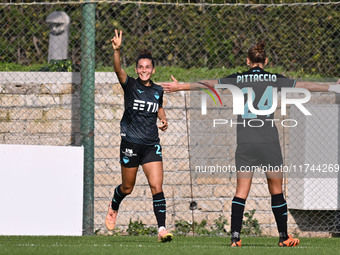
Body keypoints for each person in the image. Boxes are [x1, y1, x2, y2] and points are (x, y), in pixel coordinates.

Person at [161, 41, 340, 247]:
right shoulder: (274, 79)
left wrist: (180, 86)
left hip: (245, 142)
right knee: (276, 191)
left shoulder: (238, 78)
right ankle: (284, 237)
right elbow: (304, 86)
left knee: (241, 192)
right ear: (266, 61)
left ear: (247, 61)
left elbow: (209, 83)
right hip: (268, 141)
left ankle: (235, 238)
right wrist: (332, 87)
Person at [105, 29, 173, 243]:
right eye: (141, 67)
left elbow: (158, 108)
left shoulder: (158, 90)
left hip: (151, 145)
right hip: (131, 144)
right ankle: (114, 205)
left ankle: (161, 229)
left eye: (148, 67)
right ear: (137, 69)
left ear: (153, 70)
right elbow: (117, 69)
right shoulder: (131, 85)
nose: (144, 70)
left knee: (156, 187)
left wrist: (163, 118)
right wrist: (117, 50)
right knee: (128, 187)